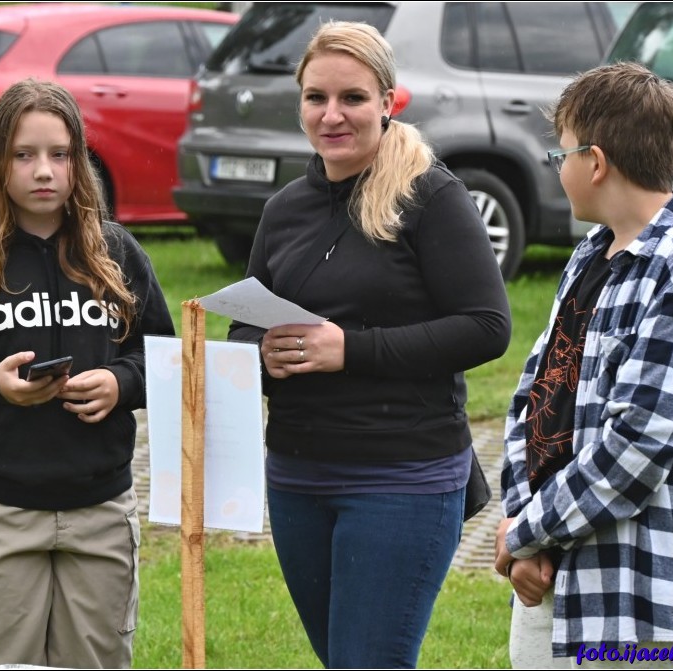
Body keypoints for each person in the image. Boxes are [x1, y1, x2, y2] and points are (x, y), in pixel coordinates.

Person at [228, 21, 512, 669]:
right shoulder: (284, 210)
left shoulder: (430, 196)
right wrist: (260, 354)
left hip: (402, 478)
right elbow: (244, 323)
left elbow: (487, 324)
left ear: (388, 100)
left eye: (352, 98)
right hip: (297, 476)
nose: (332, 115)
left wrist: (348, 349)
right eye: (315, 97)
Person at [0, 78, 175, 669]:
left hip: (99, 511)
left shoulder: (118, 255)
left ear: (79, 162)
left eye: (59, 155)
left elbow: (168, 362)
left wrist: (122, 383)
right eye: (24, 155)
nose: (42, 170)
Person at [494, 62, 673, 668]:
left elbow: (638, 445)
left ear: (597, 161)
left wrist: (526, 531)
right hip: (558, 573)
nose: (560, 172)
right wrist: (521, 527)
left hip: (647, 608)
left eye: (562, 158)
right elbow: (535, 398)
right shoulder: (590, 256)